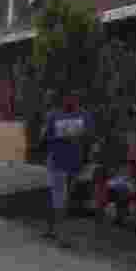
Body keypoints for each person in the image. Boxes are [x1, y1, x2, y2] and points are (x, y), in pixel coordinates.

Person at [40, 91, 93, 246]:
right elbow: (43, 139)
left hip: (75, 163)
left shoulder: (85, 116)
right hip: (56, 162)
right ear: (63, 100)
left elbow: (90, 137)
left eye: (74, 98)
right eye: (68, 97)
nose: (71, 100)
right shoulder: (53, 116)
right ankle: (61, 235)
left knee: (62, 198)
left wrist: (86, 156)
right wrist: (59, 137)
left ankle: (51, 229)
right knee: (59, 197)